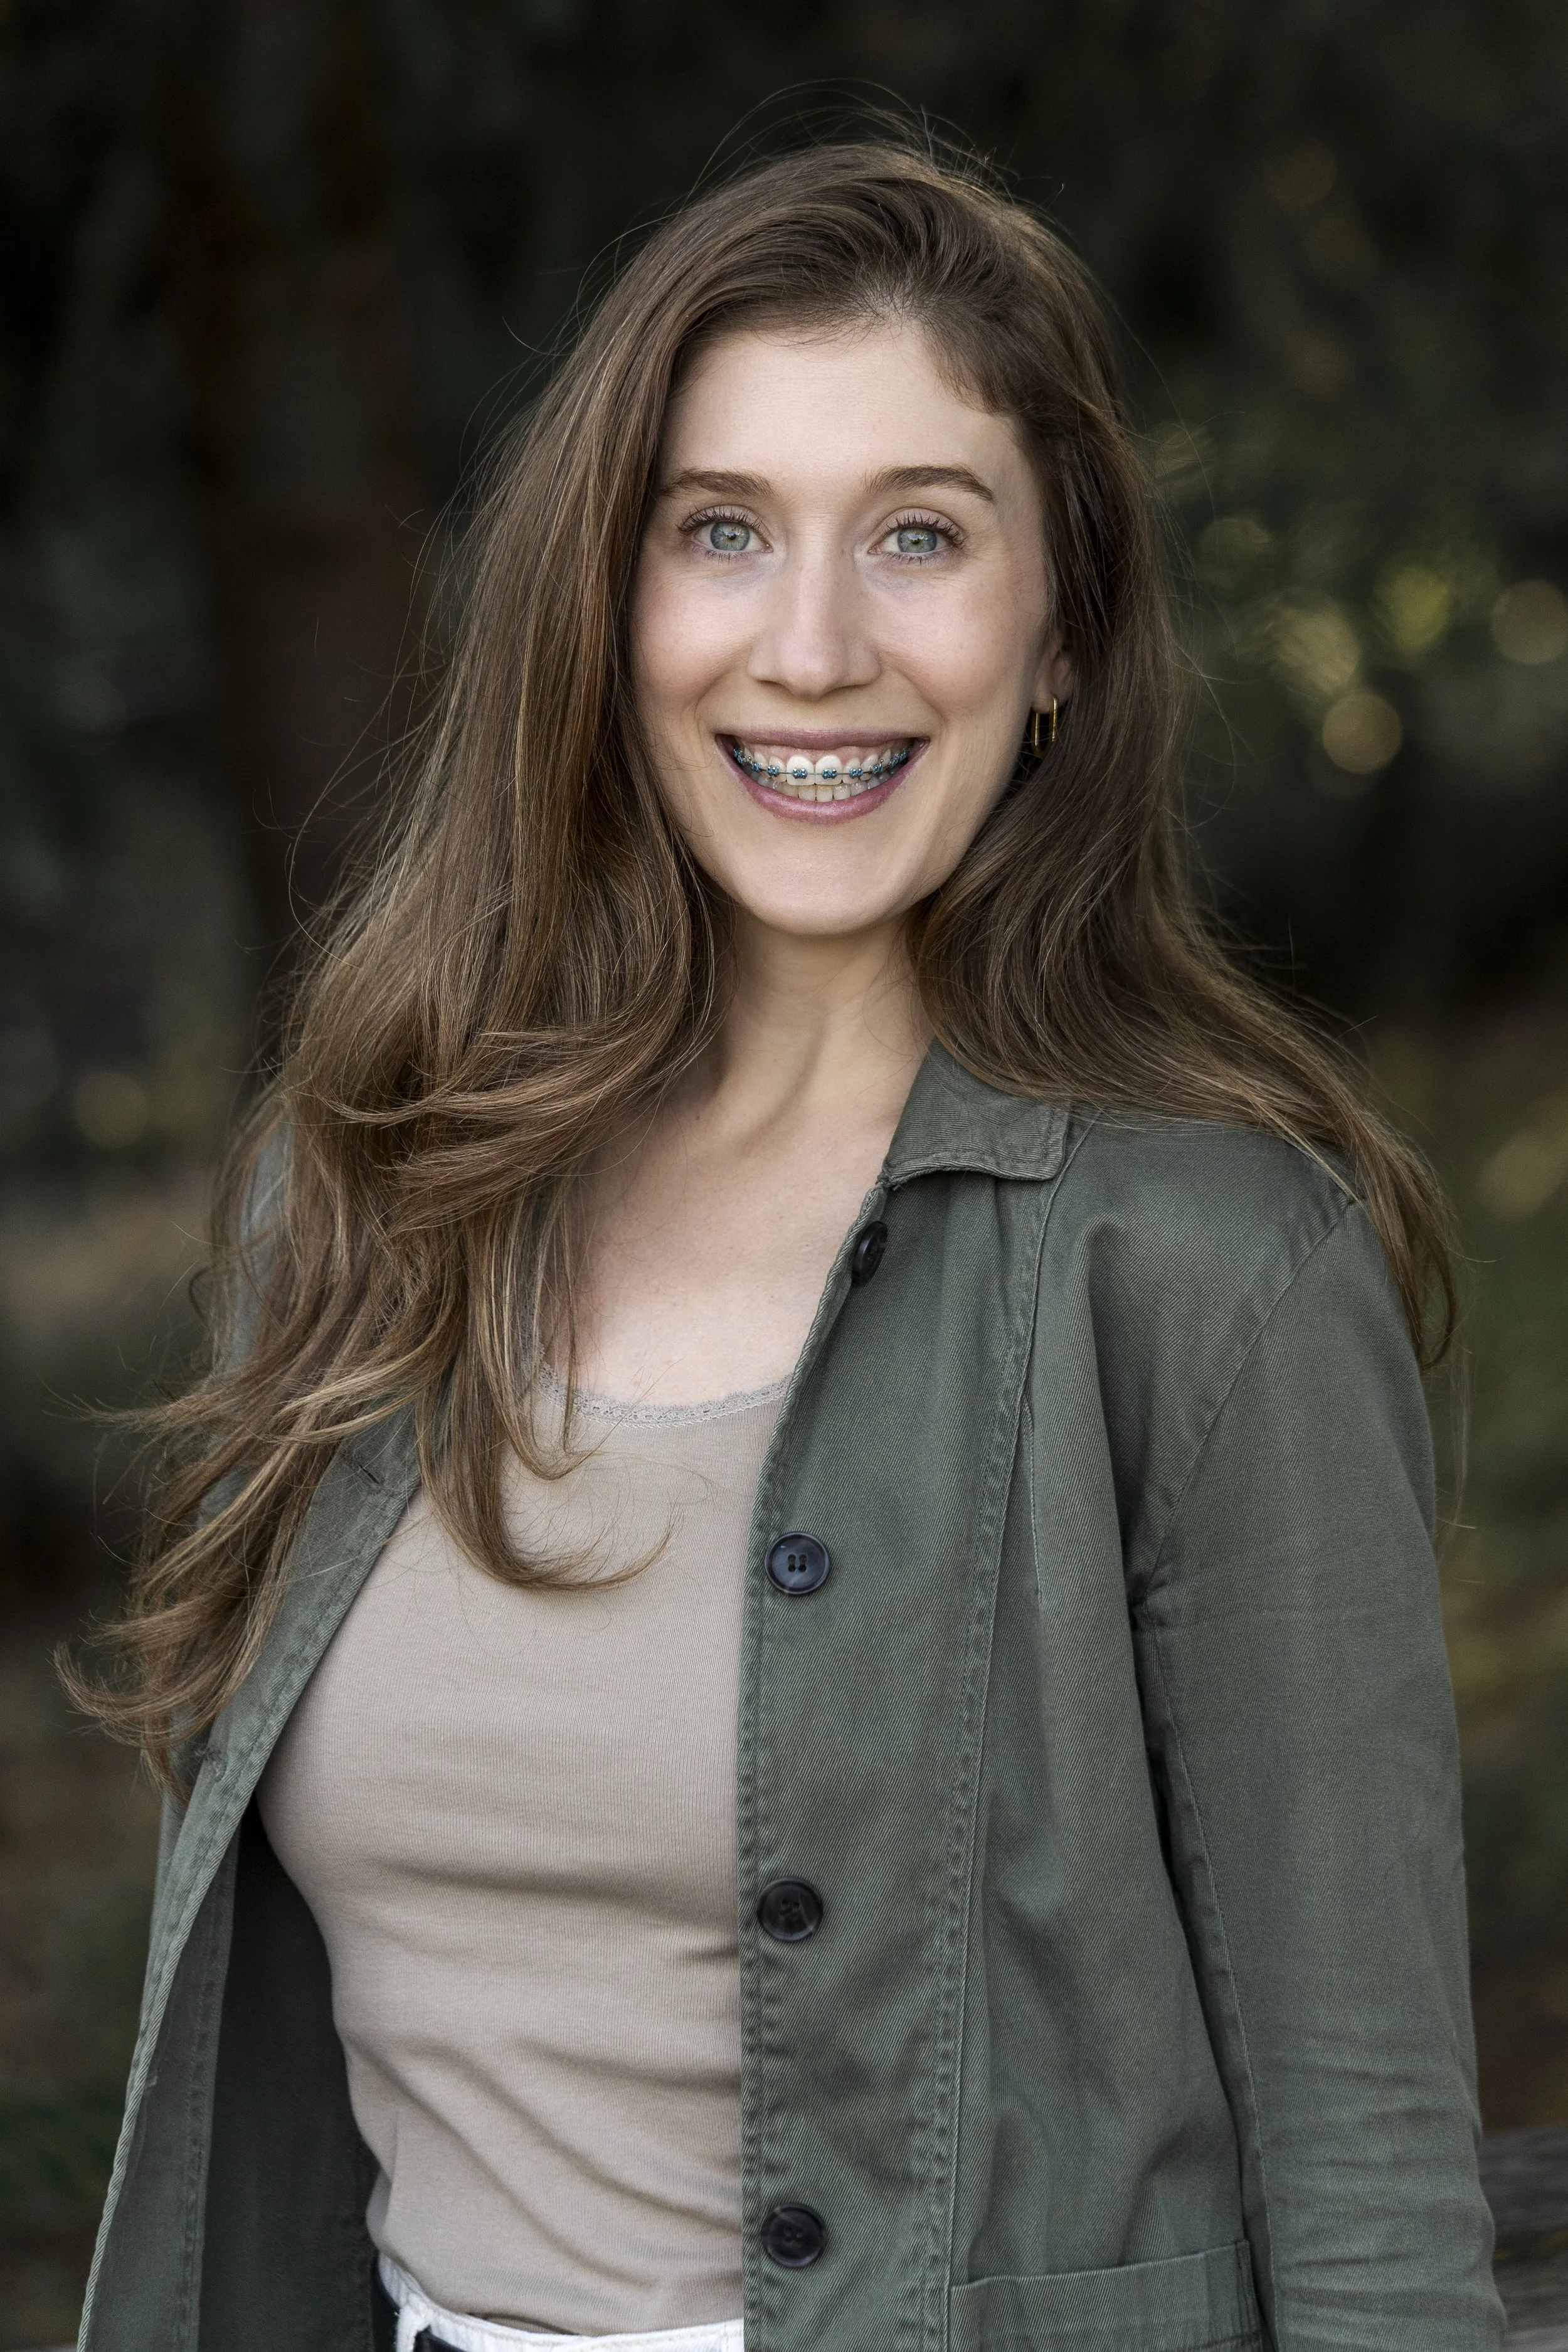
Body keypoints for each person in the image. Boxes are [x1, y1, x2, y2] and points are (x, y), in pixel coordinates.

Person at [75, 139, 1504, 2352]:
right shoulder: (356, 1199)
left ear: (1058, 639)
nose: (813, 646)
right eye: (720, 530)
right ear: (604, 607)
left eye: (920, 536)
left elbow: (1366, 2150)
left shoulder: (1208, 1265)